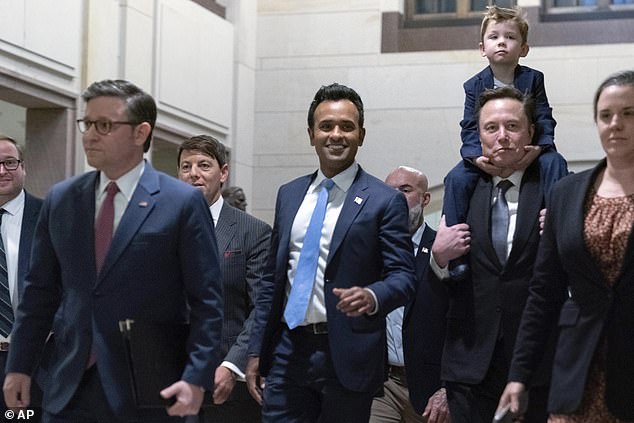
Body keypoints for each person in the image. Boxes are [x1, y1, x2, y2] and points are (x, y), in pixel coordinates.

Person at [2, 80, 224, 422]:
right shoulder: (62, 199)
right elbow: (39, 295)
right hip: (69, 383)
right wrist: (19, 366)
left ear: (140, 133)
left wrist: (196, 377)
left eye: (104, 125)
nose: (90, 135)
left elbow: (207, 303)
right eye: (87, 124)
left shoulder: (180, 203)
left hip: (153, 383)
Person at [245, 83, 417, 423]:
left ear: (361, 135)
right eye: (326, 126)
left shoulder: (384, 200)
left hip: (348, 356)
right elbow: (271, 280)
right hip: (287, 351)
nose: (336, 135)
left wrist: (371, 295)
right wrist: (255, 351)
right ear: (311, 134)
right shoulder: (289, 195)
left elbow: (404, 278)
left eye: (346, 127)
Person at [497, 70, 634, 422]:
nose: (615, 124)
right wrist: (518, 375)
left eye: (628, 113)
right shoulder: (567, 193)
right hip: (577, 372)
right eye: (606, 116)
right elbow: (544, 292)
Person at [431, 86, 568, 423]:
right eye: (491, 128)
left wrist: (565, 234)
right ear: (479, 135)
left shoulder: (558, 190)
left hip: (539, 363)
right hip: (470, 364)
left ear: (531, 132)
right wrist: (439, 259)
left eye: (512, 126)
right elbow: (436, 287)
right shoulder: (461, 188)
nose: (502, 137)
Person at [443, 5, 568, 280]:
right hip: (487, 153)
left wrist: (540, 147)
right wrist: (477, 158)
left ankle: (558, 225)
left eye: (510, 37)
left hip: (528, 146)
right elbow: (468, 127)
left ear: (523, 49)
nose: (502, 42)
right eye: (494, 37)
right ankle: (458, 256)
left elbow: (544, 117)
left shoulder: (533, 78)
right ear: (482, 48)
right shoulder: (473, 85)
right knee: (455, 178)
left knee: (555, 163)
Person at [177, 135, 271, 422]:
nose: (194, 173)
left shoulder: (252, 232)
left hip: (226, 380)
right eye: (185, 166)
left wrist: (233, 365)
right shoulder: (159, 226)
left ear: (224, 172)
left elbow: (261, 308)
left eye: (204, 165)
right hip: (170, 376)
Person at [369, 166, 450, 423]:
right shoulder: (369, 251)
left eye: (405, 191)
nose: (395, 198)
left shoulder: (443, 248)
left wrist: (450, 387)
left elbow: (464, 322)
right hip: (382, 386)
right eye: (388, 191)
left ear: (425, 199)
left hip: (433, 388)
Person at [0, 135, 43, 421]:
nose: (2, 170)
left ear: (24, 167)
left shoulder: (49, 217)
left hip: (31, 362)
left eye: (10, 162)